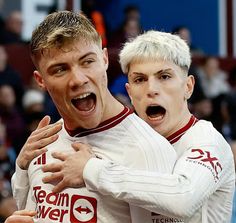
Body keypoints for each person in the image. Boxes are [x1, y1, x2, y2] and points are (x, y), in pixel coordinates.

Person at [26, 30, 235, 223]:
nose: (151, 89)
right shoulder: (128, 144)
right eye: (140, 79)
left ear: (188, 86)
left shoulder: (207, 142)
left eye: (164, 77)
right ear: (129, 92)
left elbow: (183, 198)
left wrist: (91, 169)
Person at [10, 11, 177, 222]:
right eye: (60, 70)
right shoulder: (39, 146)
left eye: (87, 61)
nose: (78, 80)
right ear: (40, 80)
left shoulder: (149, 150)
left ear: (105, 59)